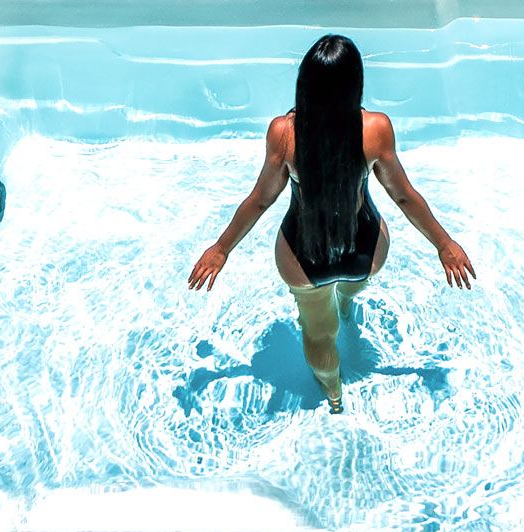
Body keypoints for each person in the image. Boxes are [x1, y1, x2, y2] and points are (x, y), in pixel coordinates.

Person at [186, 34, 475, 413]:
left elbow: (261, 199)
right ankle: (347, 305)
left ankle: (334, 398)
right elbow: (402, 196)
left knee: (319, 333)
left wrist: (220, 249)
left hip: (303, 260)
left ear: (304, 83)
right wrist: (444, 244)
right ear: (356, 83)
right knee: (350, 290)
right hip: (364, 250)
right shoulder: (375, 130)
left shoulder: (284, 134)